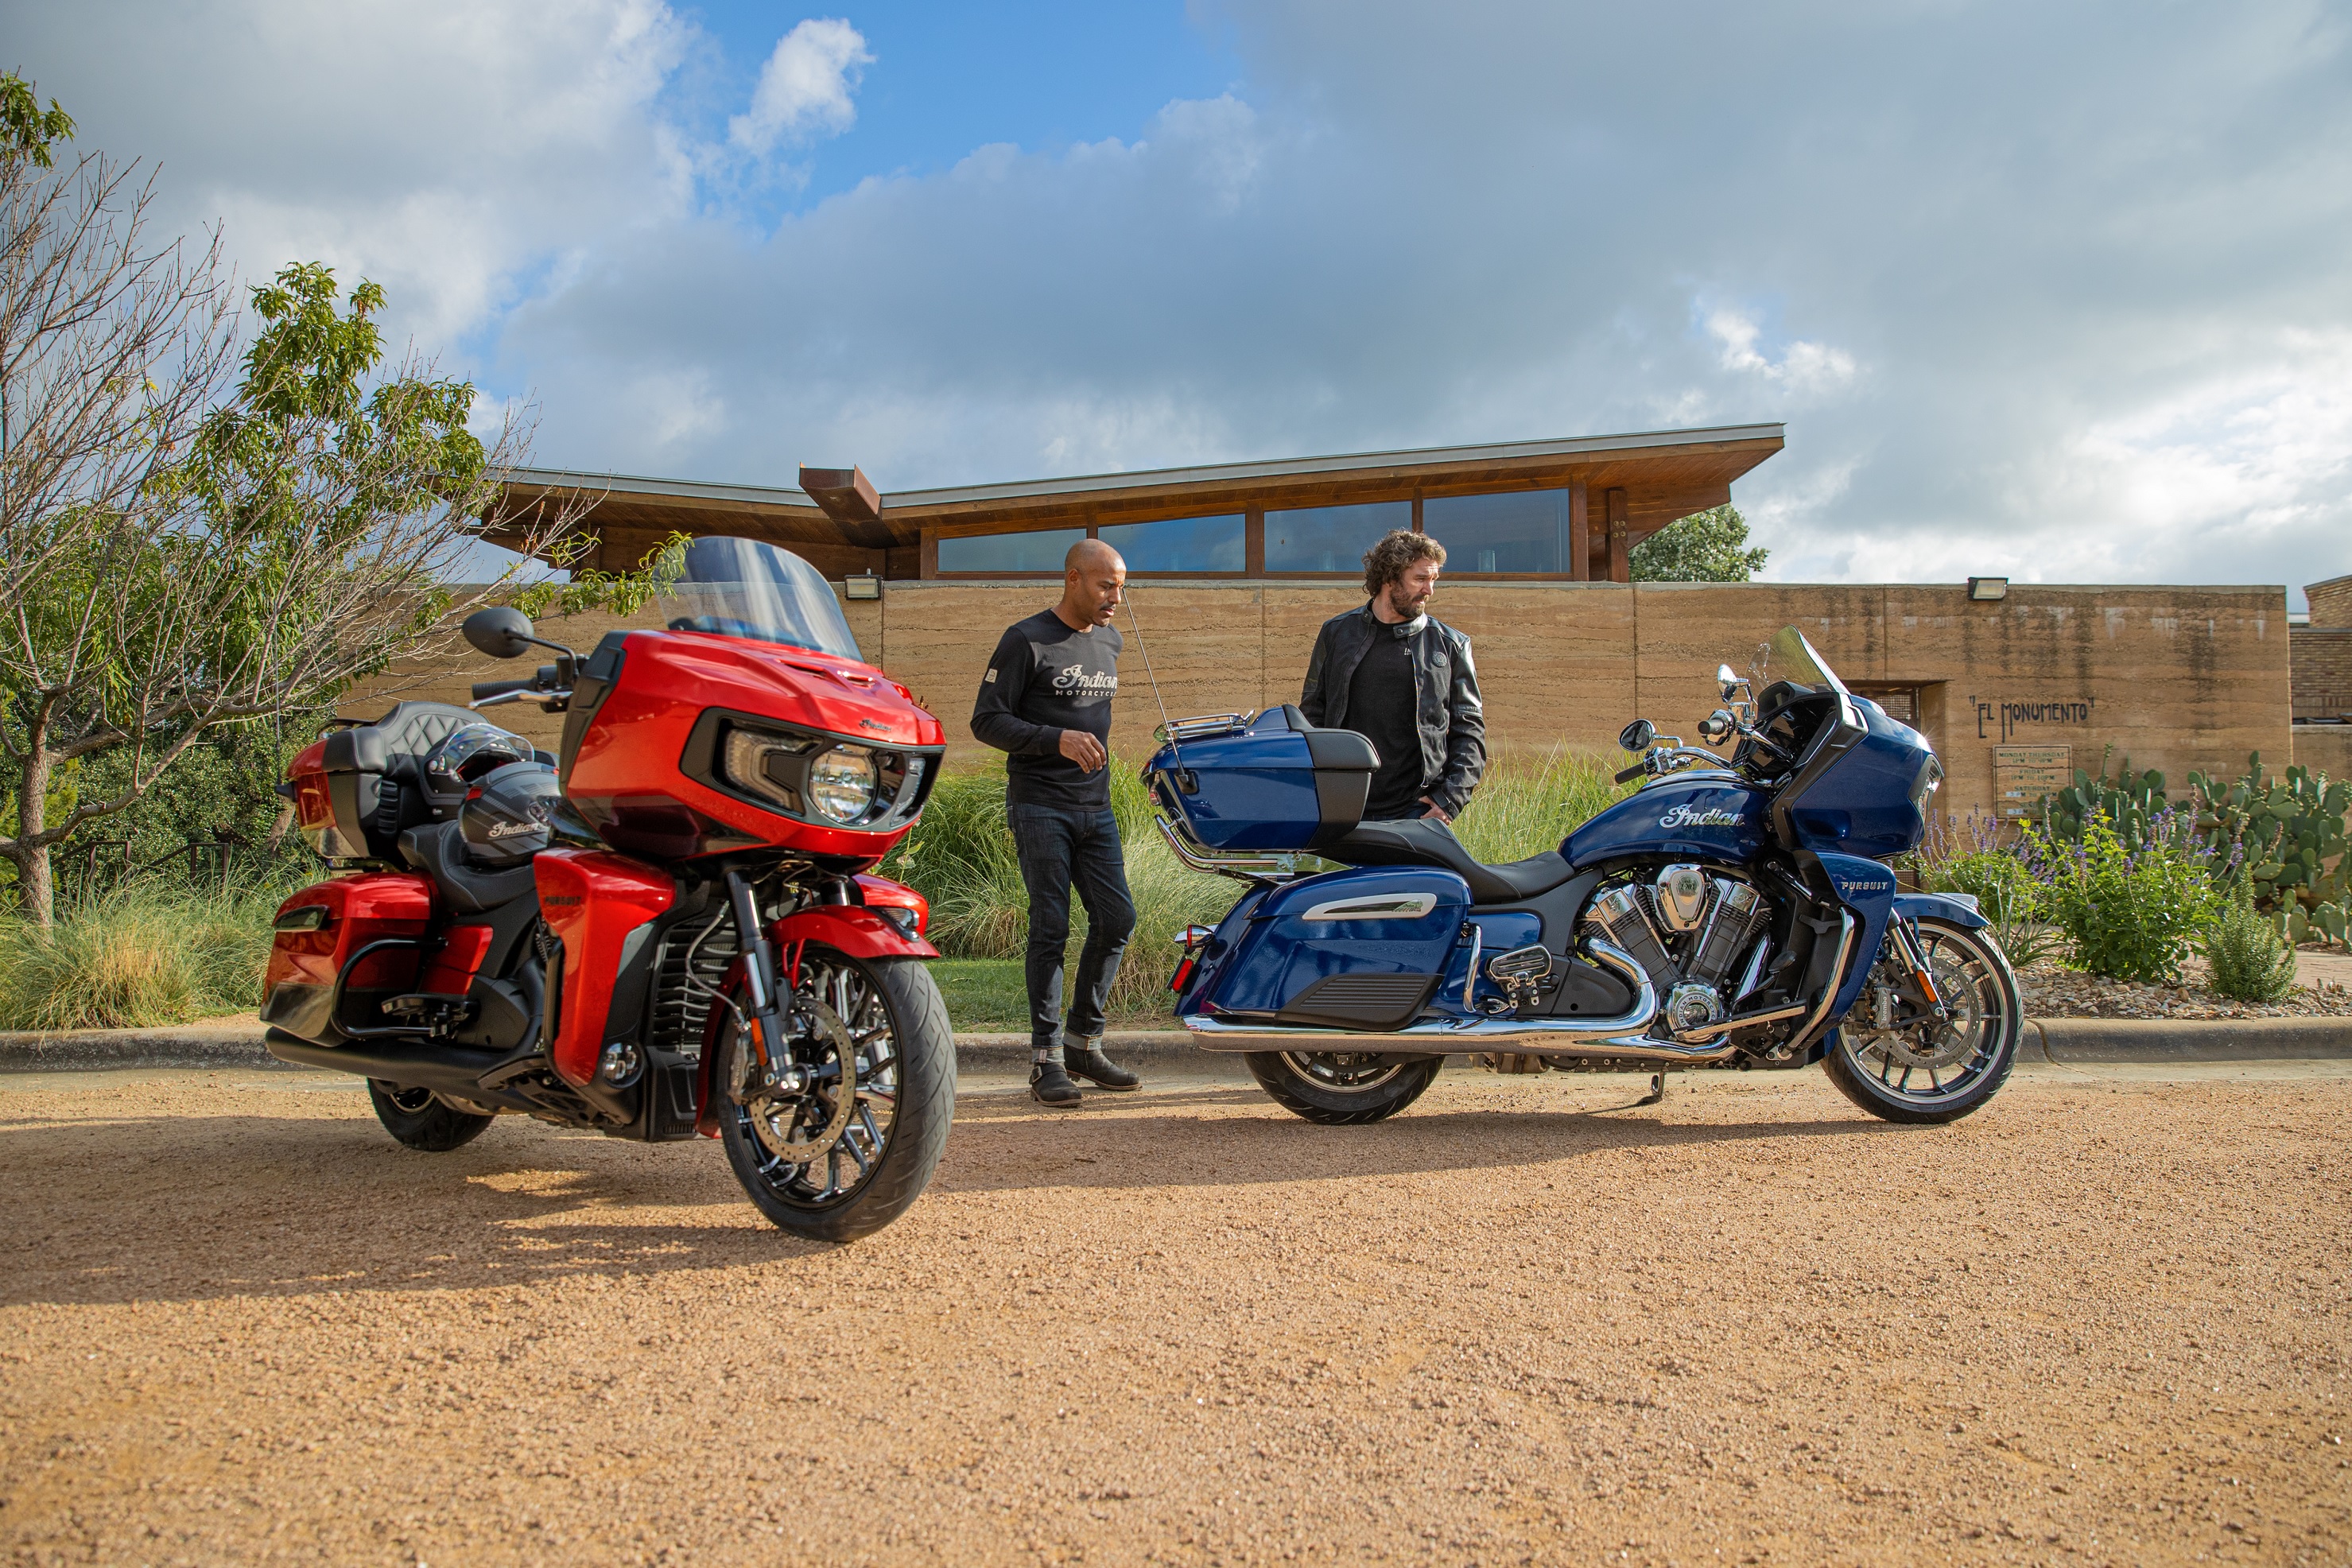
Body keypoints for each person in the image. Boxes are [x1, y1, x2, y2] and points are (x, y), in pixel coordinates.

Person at [970, 538, 1143, 1107]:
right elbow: (986, 721)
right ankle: (1045, 1061)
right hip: (1040, 804)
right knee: (1051, 927)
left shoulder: (1112, 640)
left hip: (1096, 807)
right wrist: (1056, 740)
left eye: (1121, 585)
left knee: (1117, 917)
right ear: (1072, 578)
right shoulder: (1026, 640)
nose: (1117, 596)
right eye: (1105, 585)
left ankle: (1082, 1045)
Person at [1299, 529, 1486, 822]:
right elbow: (1311, 716)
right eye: (1420, 579)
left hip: (1418, 811)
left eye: (1433, 580)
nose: (1429, 590)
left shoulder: (1451, 645)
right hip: (1345, 807)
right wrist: (1317, 793)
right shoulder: (1337, 634)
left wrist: (1450, 799)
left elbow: (1470, 730)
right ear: (1389, 578)